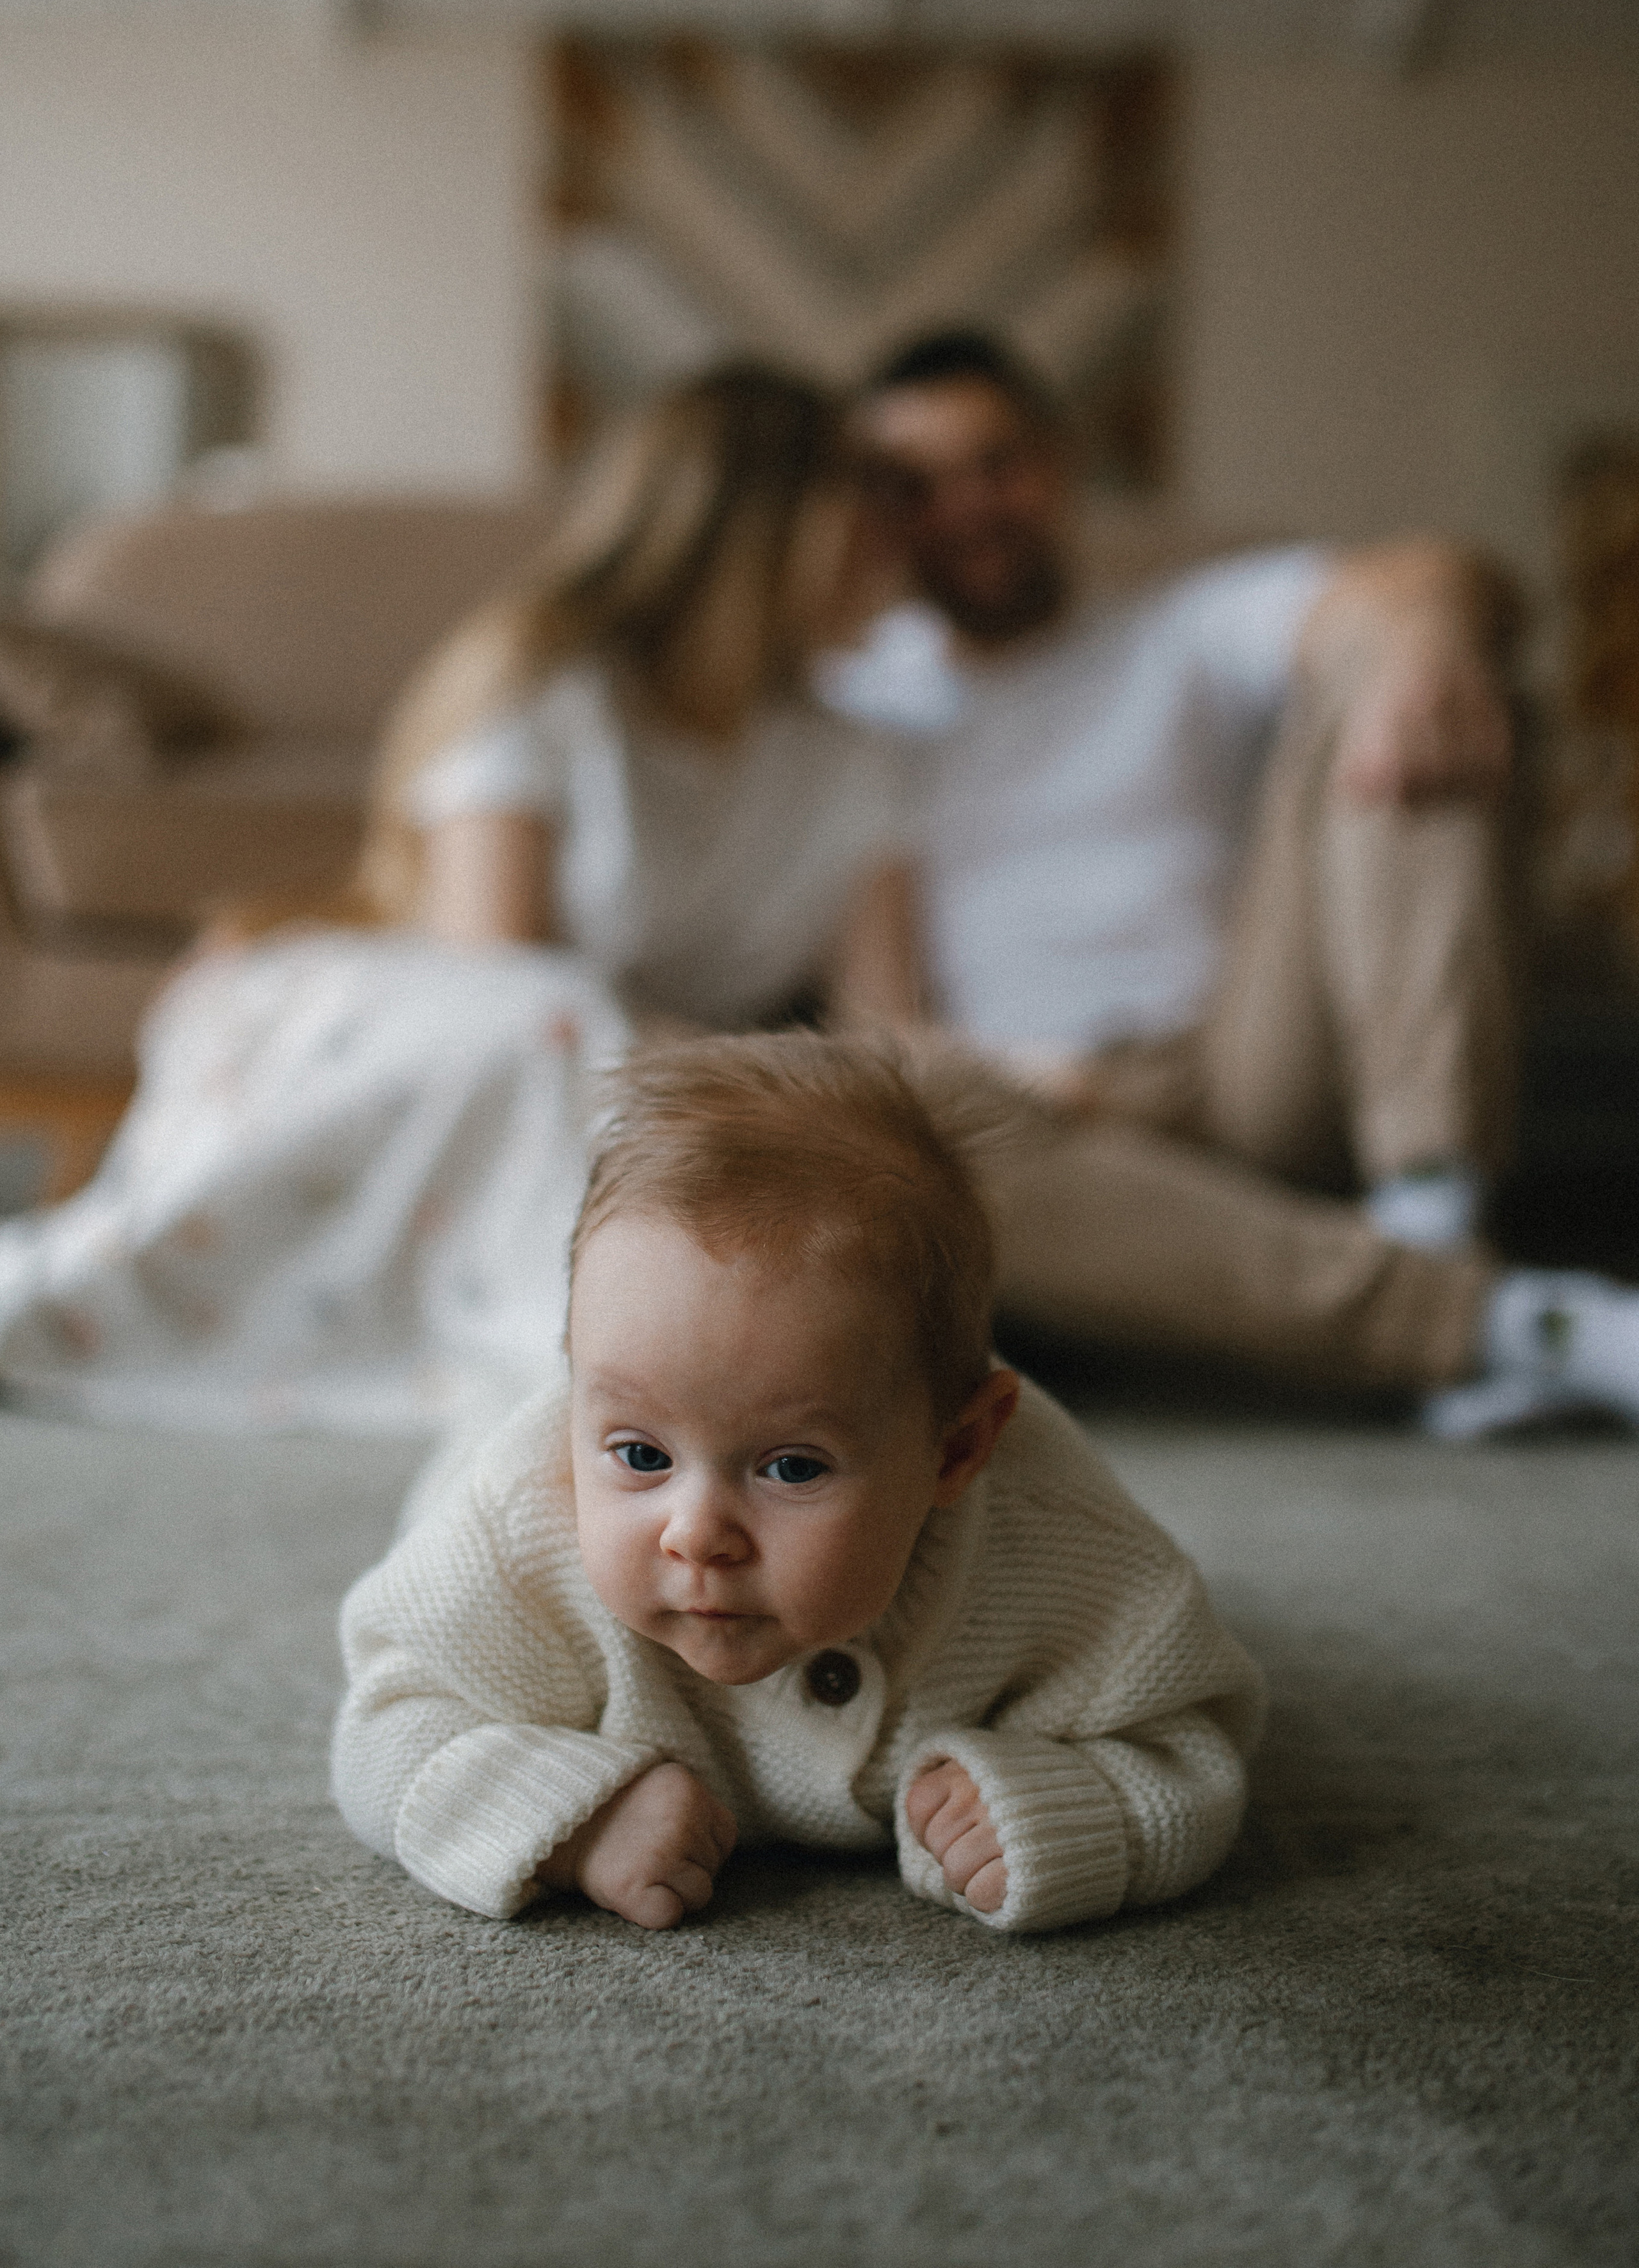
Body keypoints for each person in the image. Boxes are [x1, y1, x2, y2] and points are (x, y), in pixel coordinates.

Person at [0, 366, 916, 1435]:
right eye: (876, 508)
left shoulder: (859, 762)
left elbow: (884, 1027)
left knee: (621, 1067)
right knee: (547, 1025)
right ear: (782, 526)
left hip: (631, 1064)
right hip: (411, 1013)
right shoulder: (543, 682)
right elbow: (497, 964)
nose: (905, 552)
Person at [823, 328, 1639, 1437]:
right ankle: (1473, 1321)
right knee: (899, 1136)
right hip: (1037, 1110)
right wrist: (1017, 1073)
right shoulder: (857, 705)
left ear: (1059, 463)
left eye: (996, 464)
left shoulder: (1181, 626)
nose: (967, 507)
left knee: (1413, 689)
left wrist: (1428, 641)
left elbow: (1434, 572)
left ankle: (1434, 1220)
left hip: (1253, 1064)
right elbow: (877, 1017)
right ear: (872, 516)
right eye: (915, 486)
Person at [332, 1033, 1265, 1933]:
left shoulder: (1065, 1554)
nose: (696, 1534)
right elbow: (390, 1722)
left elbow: (1189, 1746)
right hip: (491, 1453)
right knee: (500, 1440)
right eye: (644, 1458)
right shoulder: (517, 1534)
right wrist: (569, 1823)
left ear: (957, 1451)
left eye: (790, 1468)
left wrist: (1069, 1808)